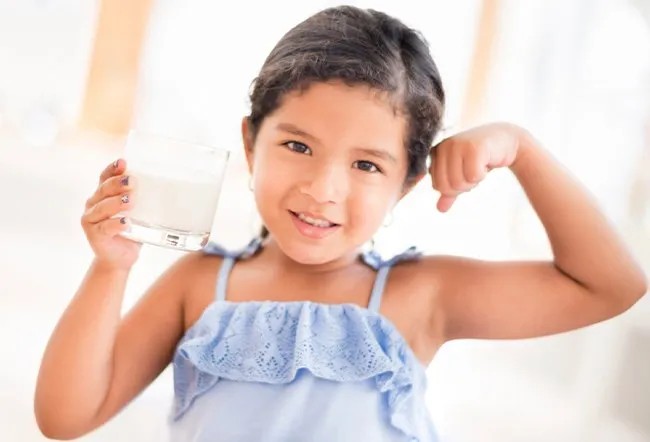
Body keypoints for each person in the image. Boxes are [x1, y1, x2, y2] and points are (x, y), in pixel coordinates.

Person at [34, 5, 647, 442]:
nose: (322, 189)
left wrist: (523, 149)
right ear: (250, 145)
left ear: (407, 182)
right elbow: (64, 418)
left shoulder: (418, 297)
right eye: (298, 146)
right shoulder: (200, 285)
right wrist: (109, 267)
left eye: (365, 164)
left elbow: (611, 285)